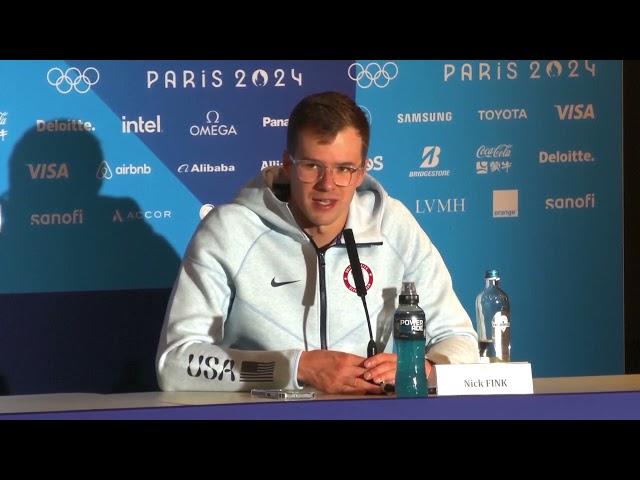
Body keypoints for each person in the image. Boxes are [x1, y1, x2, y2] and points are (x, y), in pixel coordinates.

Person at [156, 91, 479, 394]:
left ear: (361, 172)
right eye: (312, 166)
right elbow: (174, 364)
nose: (328, 185)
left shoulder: (394, 225)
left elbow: (459, 338)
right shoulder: (228, 230)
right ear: (288, 164)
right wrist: (295, 368)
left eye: (343, 169)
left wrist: (425, 369)